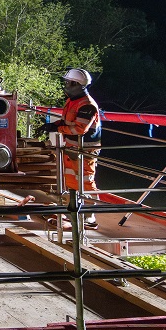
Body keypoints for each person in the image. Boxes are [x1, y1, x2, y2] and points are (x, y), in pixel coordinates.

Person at [44, 67, 102, 229]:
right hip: (72, 149)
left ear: (77, 84)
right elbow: (66, 121)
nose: (66, 85)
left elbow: (79, 129)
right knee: (71, 181)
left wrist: (57, 129)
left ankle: (89, 217)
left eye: (68, 82)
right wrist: (52, 125)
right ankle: (74, 213)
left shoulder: (87, 105)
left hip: (85, 152)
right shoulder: (72, 101)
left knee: (85, 183)